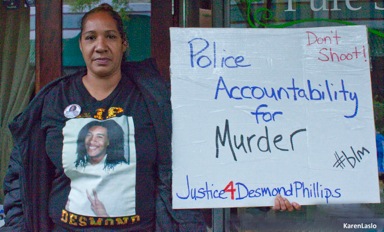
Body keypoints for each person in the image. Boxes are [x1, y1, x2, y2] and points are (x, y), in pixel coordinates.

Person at [1, 3, 300, 232]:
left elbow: (205, 153)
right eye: (90, 37)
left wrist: (262, 192)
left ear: (123, 44)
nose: (100, 45)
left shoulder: (153, 98)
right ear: (81, 45)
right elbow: (21, 174)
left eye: (110, 36)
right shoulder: (55, 100)